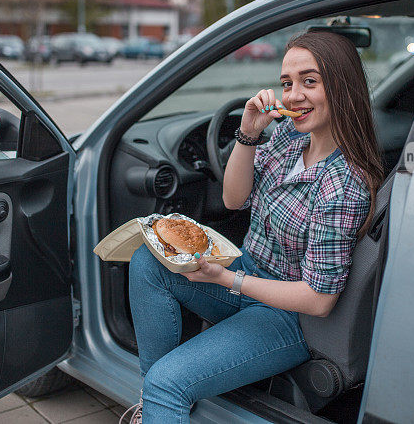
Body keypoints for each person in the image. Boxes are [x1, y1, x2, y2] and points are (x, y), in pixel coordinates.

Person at [124, 30, 384, 424]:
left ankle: (164, 394)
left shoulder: (343, 183)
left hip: (288, 316)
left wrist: (227, 280)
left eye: (309, 82)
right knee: (148, 261)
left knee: (167, 382)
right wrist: (248, 132)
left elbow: (318, 300)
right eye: (287, 83)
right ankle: (159, 403)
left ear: (342, 87)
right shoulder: (287, 137)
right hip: (247, 272)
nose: (294, 94)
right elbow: (233, 199)